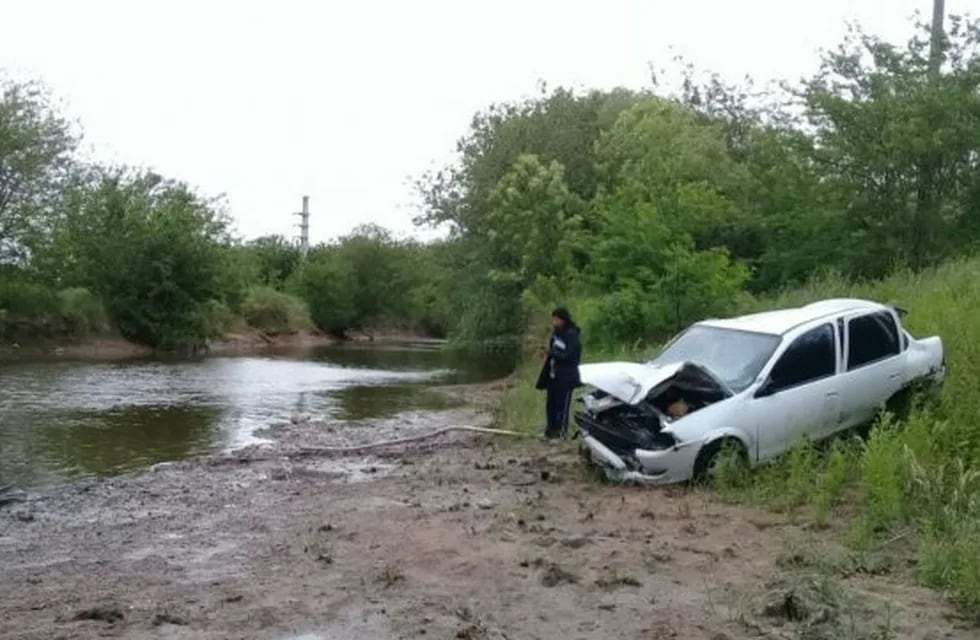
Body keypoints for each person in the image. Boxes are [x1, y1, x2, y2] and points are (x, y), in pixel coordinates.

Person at [535, 307, 582, 440]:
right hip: (553, 375)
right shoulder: (556, 334)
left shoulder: (572, 335)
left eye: (557, 319)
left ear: (563, 319)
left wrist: (552, 353)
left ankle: (561, 433)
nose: (554, 322)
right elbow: (553, 350)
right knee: (551, 404)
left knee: (562, 406)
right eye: (553, 319)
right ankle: (550, 431)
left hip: (566, 376)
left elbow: (570, 356)